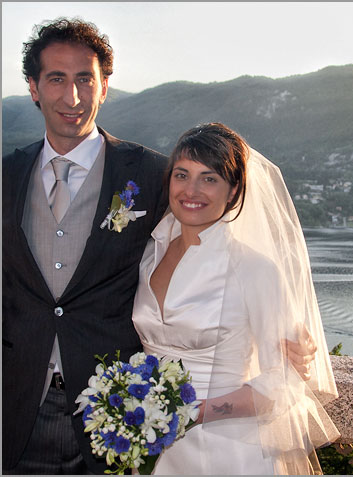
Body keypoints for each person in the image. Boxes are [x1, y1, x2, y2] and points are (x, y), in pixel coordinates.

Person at [2, 18, 316, 475]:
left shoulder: (152, 174)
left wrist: (292, 338)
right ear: (33, 87)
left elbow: (207, 232)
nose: (72, 97)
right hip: (18, 407)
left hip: (116, 417)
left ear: (104, 86)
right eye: (56, 79)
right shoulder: (5, 175)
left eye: (85, 79)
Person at [131, 123, 339, 474]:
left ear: (234, 191)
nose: (191, 190)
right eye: (182, 174)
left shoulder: (254, 268)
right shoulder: (150, 250)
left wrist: (195, 412)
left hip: (228, 450)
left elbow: (284, 380)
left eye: (209, 178)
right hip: (151, 445)